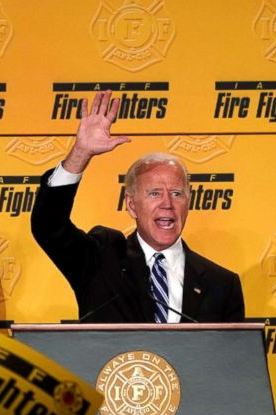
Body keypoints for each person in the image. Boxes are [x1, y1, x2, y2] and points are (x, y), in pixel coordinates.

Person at [31, 90, 245, 323]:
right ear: (132, 205)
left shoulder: (222, 285)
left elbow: (233, 357)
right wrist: (80, 154)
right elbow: (48, 227)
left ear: (188, 204)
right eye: (154, 193)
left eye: (176, 193)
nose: (167, 204)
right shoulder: (101, 261)